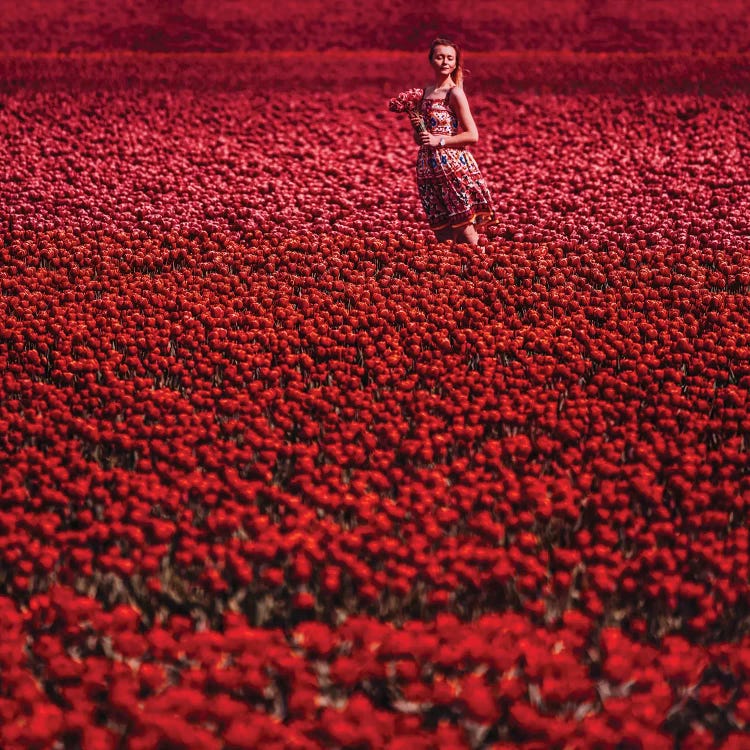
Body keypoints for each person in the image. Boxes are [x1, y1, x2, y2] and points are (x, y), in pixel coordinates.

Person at [409, 38, 495, 246]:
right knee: (442, 232)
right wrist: (419, 134)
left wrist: (439, 140)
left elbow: (472, 135)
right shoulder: (424, 92)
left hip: (452, 166)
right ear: (431, 61)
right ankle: (453, 275)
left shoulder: (455, 92)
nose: (445, 62)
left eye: (450, 58)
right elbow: (421, 137)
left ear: (455, 63)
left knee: (464, 228)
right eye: (439, 57)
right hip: (427, 168)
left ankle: (480, 269)